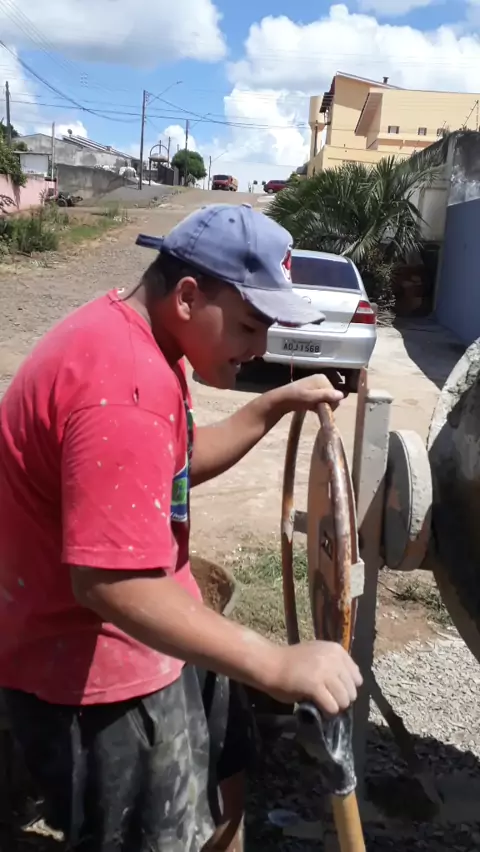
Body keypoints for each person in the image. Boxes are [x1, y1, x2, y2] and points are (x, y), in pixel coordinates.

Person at [0, 203, 362, 852]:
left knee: (222, 794)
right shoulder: (123, 386)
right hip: (96, 671)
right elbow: (111, 585)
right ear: (189, 296)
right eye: (250, 325)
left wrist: (273, 405)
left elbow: (175, 461)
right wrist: (275, 663)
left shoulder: (139, 339)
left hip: (148, 631)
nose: (261, 347)